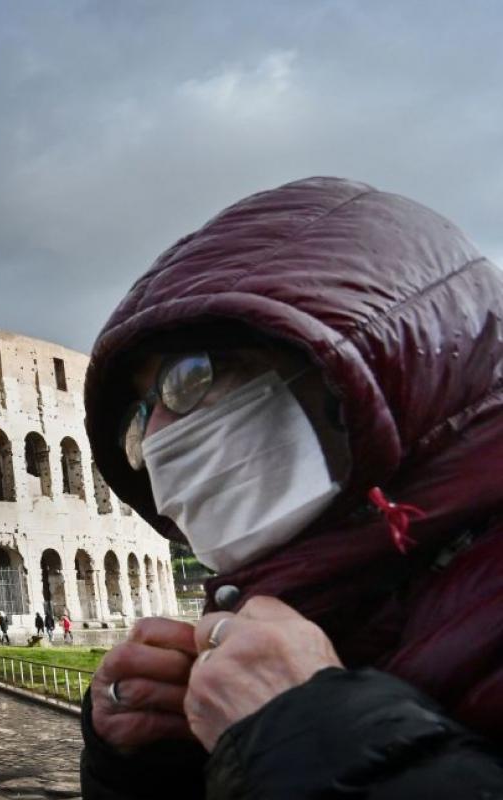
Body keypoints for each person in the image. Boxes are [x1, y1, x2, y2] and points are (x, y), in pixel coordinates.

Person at [78, 177, 503, 798]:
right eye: (137, 421)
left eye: (190, 375)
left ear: (365, 363)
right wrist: (150, 766)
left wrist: (313, 737)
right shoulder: (304, 605)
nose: (160, 438)